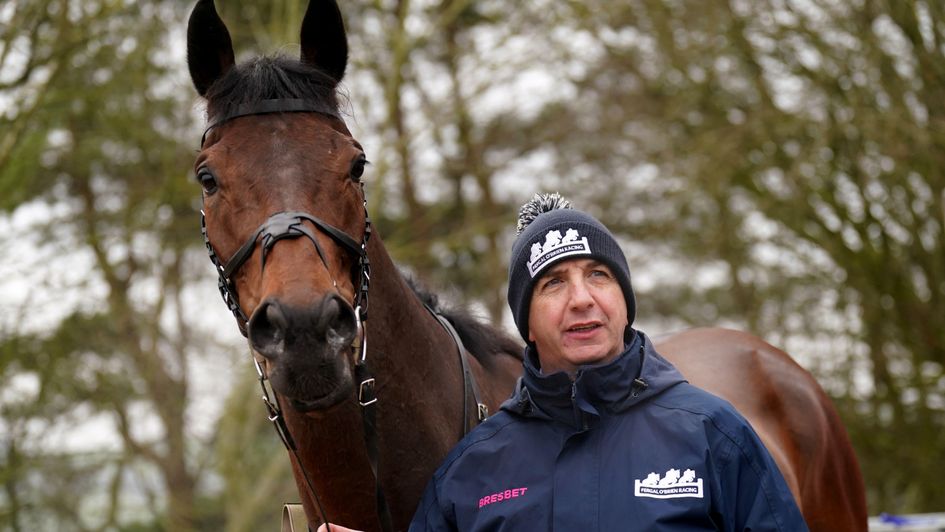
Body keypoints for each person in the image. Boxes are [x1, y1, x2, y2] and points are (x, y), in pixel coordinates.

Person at [320, 193, 808, 531]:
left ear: (623, 301)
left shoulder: (713, 434)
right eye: (553, 284)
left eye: (598, 275)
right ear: (526, 324)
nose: (581, 299)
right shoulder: (473, 468)